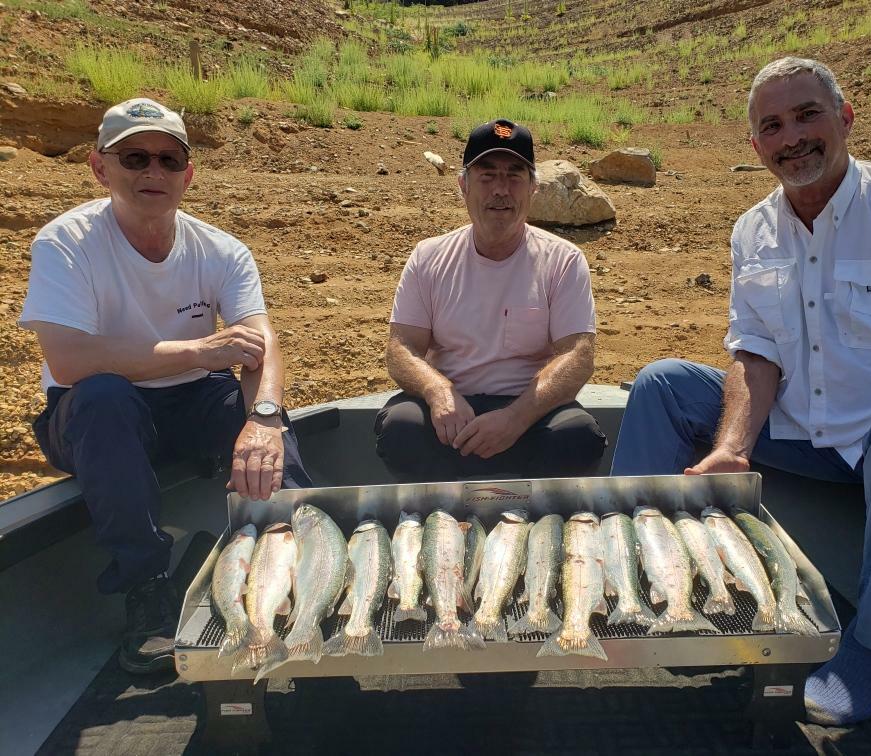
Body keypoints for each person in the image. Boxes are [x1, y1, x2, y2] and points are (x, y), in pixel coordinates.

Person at [610, 57, 871, 725]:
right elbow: (756, 353)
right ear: (755, 145)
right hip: (806, 433)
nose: (791, 137)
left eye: (807, 115)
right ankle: (647, 585)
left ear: (846, 118)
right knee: (664, 385)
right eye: (772, 125)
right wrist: (734, 446)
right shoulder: (752, 231)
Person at [18, 98, 312, 674]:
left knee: (264, 423)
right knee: (105, 397)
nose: (153, 172)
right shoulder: (66, 244)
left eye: (168, 159)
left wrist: (265, 419)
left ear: (188, 173)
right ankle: (147, 590)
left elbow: (260, 343)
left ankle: (297, 563)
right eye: (135, 157)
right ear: (100, 167)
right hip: (94, 415)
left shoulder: (222, 250)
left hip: (192, 398)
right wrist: (199, 351)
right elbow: (71, 359)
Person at [376, 119, 606, 482]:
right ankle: (443, 513)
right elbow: (401, 347)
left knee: (577, 438)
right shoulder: (428, 257)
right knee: (400, 430)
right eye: (487, 176)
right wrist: (438, 391)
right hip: (453, 412)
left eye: (515, 176)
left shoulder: (563, 260)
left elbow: (578, 355)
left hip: (529, 408)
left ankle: (531, 519)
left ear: (533, 189)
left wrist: (514, 419)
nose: (501, 190)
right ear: (463, 186)